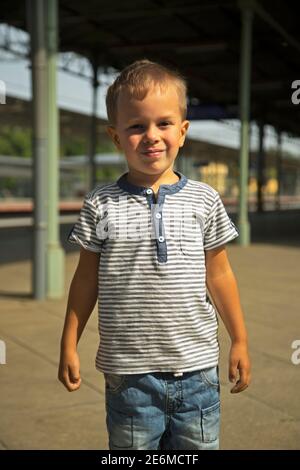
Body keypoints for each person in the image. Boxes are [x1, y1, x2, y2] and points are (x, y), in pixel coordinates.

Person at [58, 59, 251, 450]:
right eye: (135, 126)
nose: (151, 136)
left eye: (163, 123)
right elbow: (86, 279)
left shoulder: (205, 199)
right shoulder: (101, 203)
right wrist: (68, 343)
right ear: (115, 137)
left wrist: (240, 340)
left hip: (198, 371)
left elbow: (220, 275)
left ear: (182, 131)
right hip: (129, 378)